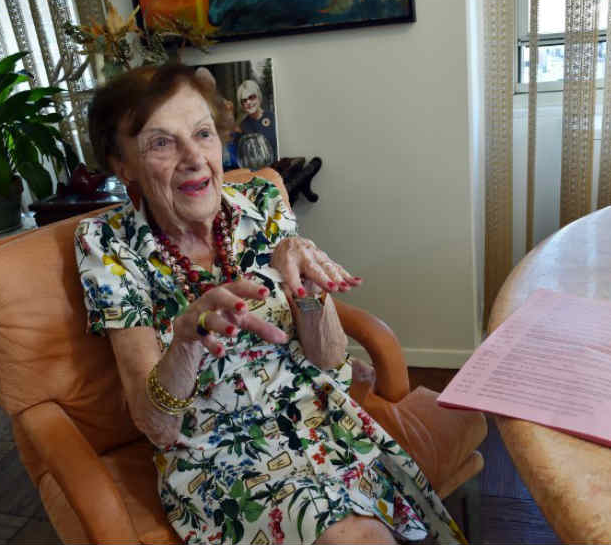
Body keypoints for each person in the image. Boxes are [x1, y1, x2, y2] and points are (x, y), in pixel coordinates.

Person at [75, 63, 464, 545]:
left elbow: (328, 358)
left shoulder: (260, 200)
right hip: (220, 458)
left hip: (322, 423)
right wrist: (188, 341)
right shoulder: (108, 244)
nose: (195, 158)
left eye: (203, 134)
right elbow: (156, 426)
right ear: (122, 164)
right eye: (161, 142)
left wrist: (308, 291)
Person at [237, 79, 278, 158]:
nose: (248, 102)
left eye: (252, 97)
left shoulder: (273, 118)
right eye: (244, 100)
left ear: (258, 96)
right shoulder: (242, 126)